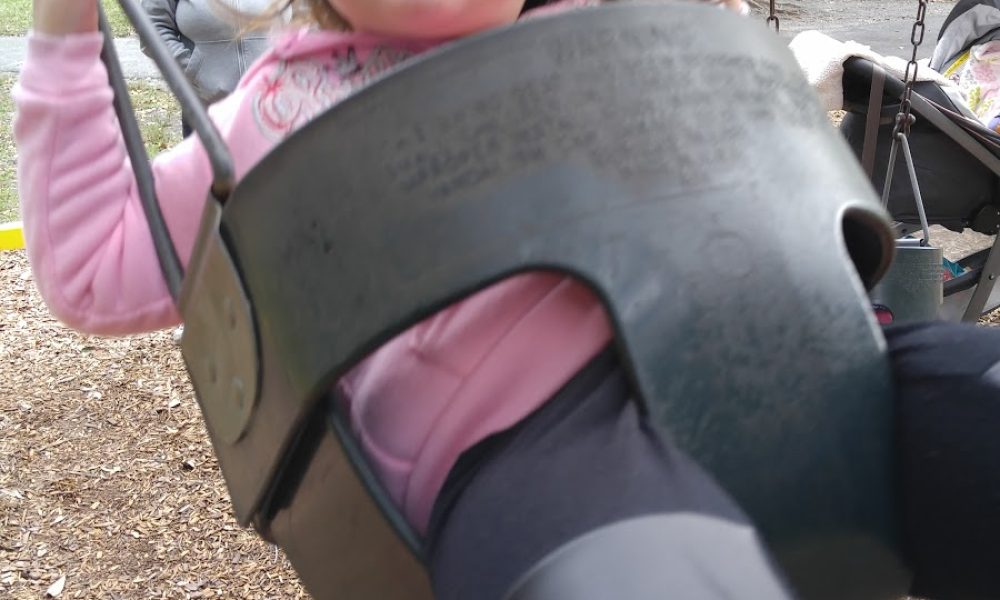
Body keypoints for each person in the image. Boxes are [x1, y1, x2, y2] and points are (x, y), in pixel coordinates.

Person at [12, 0, 1000, 598]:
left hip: (798, 352)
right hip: (529, 457)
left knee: (972, 403)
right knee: (637, 572)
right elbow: (99, 260)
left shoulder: (616, 22)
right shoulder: (274, 115)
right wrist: (63, 32)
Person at [141, 0, 280, 136]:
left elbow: (293, 17)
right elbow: (151, 26)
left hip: (275, 105)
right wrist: (191, 71)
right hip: (206, 109)